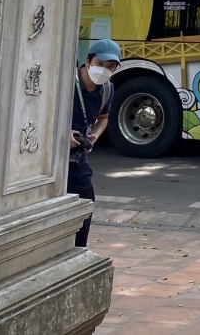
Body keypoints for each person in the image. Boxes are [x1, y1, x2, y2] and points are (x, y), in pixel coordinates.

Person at [68, 38, 121, 247]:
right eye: (100, 64)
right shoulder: (67, 82)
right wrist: (64, 134)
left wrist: (94, 136)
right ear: (88, 62)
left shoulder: (107, 89)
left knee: (85, 204)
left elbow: (103, 118)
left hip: (78, 158)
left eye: (110, 67)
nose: (104, 70)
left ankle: (78, 251)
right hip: (51, 157)